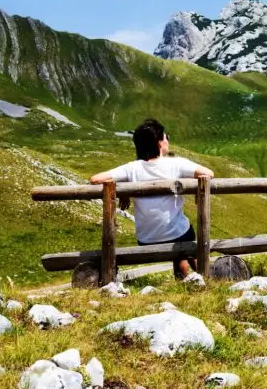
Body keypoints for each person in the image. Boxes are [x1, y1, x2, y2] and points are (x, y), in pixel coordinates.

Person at [90, 118, 214, 278]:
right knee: (185, 233)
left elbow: (95, 179)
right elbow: (209, 174)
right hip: (177, 236)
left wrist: (123, 190)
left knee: (180, 236)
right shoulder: (176, 164)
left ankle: (191, 277)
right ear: (159, 143)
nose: (167, 139)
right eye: (165, 136)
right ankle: (201, 276)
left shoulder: (131, 168)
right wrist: (197, 190)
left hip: (146, 239)